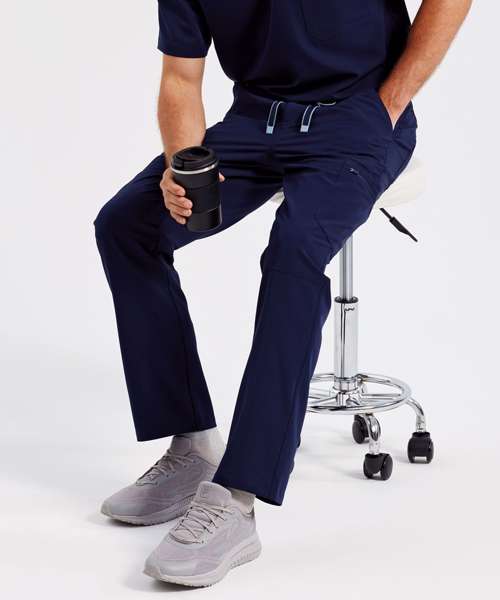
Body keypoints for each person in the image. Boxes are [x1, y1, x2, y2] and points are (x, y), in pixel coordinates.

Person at [94, 0, 472, 588]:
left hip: (358, 120)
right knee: (126, 225)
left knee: (293, 254)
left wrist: (392, 100)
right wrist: (181, 166)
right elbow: (180, 76)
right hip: (254, 123)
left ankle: (237, 498)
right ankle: (193, 446)